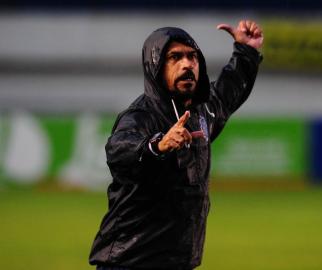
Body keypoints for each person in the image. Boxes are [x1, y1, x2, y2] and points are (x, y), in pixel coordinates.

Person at [89, 20, 263, 270]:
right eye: (175, 57)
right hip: (130, 262)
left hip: (178, 262)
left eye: (192, 57)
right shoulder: (140, 116)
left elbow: (228, 91)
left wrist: (246, 51)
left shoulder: (203, 112)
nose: (186, 64)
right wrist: (157, 145)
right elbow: (118, 150)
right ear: (156, 65)